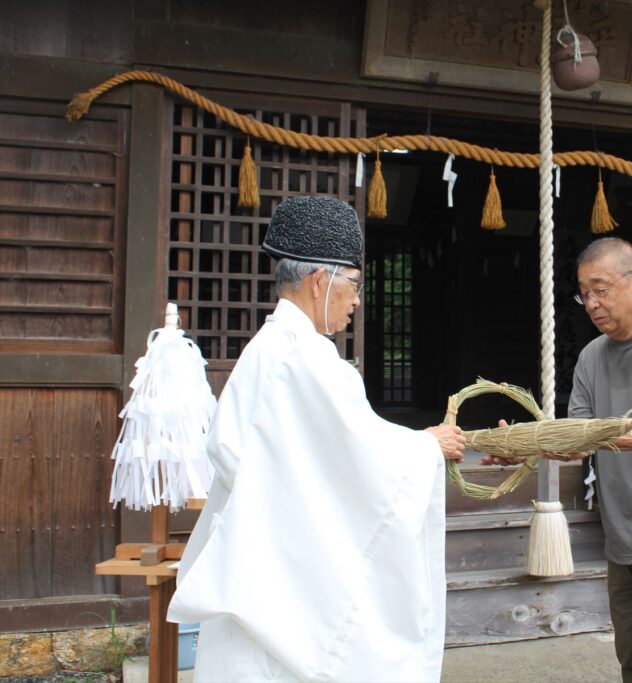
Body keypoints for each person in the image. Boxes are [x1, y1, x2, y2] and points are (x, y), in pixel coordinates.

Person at [168, 195, 465, 683]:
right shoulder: (305, 361)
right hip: (284, 578)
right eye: (353, 285)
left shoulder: (270, 352)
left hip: (265, 564)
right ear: (319, 281)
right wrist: (427, 445)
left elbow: (331, 455)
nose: (356, 300)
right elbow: (359, 460)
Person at [484, 237, 632, 682]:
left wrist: (586, 435)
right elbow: (577, 443)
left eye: (600, 289)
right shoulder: (592, 357)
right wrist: (520, 447)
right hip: (624, 536)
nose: (591, 303)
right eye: (584, 293)